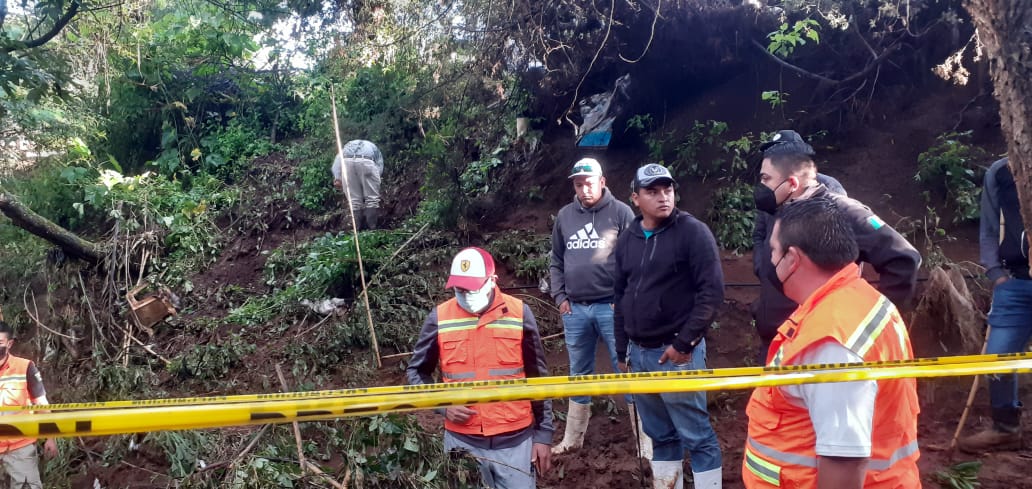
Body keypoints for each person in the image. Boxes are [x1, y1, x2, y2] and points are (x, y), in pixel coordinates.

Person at [742, 197, 921, 489]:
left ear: (793, 258)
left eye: (772, 251)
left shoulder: (830, 343)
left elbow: (844, 460)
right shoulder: (856, 299)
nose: (769, 260)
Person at [751, 129, 921, 362]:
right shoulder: (778, 209)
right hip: (778, 341)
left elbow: (903, 258)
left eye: (766, 179)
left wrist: (872, 323)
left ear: (791, 182)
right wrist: (763, 267)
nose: (762, 187)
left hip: (822, 345)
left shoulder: (840, 210)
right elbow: (760, 239)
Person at [614, 163, 724, 489]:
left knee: (697, 435)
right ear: (635, 198)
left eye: (668, 189)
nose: (663, 197)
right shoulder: (628, 239)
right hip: (639, 353)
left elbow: (712, 291)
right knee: (660, 435)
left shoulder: (693, 232)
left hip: (676, 353)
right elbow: (619, 296)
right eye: (653, 191)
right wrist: (622, 351)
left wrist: (685, 344)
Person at [407, 247, 553, 488]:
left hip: (515, 441)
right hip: (462, 445)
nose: (465, 294)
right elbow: (416, 372)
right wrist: (443, 405)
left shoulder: (519, 313)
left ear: (492, 281)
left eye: (471, 288)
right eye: (459, 289)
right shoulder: (440, 317)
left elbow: (538, 378)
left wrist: (543, 436)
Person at [547, 157, 650, 457]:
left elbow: (636, 258)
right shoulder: (565, 216)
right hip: (575, 309)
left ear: (602, 182)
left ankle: (645, 442)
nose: (584, 189)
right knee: (578, 374)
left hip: (612, 308)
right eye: (578, 184)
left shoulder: (621, 212)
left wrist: (626, 300)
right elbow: (555, 259)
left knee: (627, 367)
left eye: (589, 183)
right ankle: (572, 439)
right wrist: (560, 297)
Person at [959, 157, 1032, 453]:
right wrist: (995, 272)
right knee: (998, 357)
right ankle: (1006, 428)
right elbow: (989, 226)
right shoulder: (1001, 171)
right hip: (1014, 283)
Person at [0, 321, 58, 489]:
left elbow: (41, 404)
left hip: (20, 446)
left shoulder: (25, 367)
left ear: (9, 344)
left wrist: (50, 437)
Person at [331, 139, 384, 230]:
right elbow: (379, 163)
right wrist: (376, 179)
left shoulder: (347, 147)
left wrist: (338, 178)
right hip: (366, 161)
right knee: (372, 199)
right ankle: (373, 229)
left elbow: (338, 159)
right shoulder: (372, 146)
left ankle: (357, 231)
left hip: (346, 163)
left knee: (354, 201)